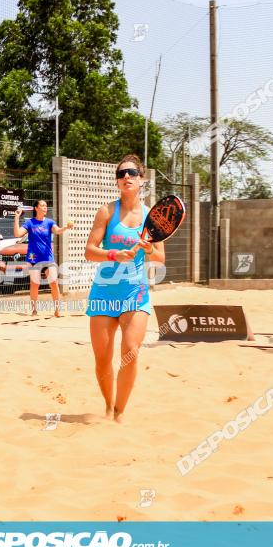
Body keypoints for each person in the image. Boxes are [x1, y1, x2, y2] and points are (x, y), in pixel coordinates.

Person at [84, 154, 165, 423]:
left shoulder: (152, 217)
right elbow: (89, 251)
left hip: (135, 291)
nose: (126, 177)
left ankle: (119, 413)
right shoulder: (106, 212)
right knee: (102, 360)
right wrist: (113, 255)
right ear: (117, 181)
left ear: (142, 179)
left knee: (130, 351)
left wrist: (148, 248)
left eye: (131, 172)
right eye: (121, 174)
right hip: (104, 293)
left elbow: (160, 258)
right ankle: (108, 406)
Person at [13, 199, 73, 317]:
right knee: (35, 283)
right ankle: (34, 310)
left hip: (47, 258)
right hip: (33, 258)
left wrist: (65, 227)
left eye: (46, 205)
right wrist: (16, 218)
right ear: (36, 208)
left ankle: (57, 310)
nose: (45, 207)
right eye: (42, 205)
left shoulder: (49, 222)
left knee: (54, 282)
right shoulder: (30, 223)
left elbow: (58, 230)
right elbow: (17, 234)